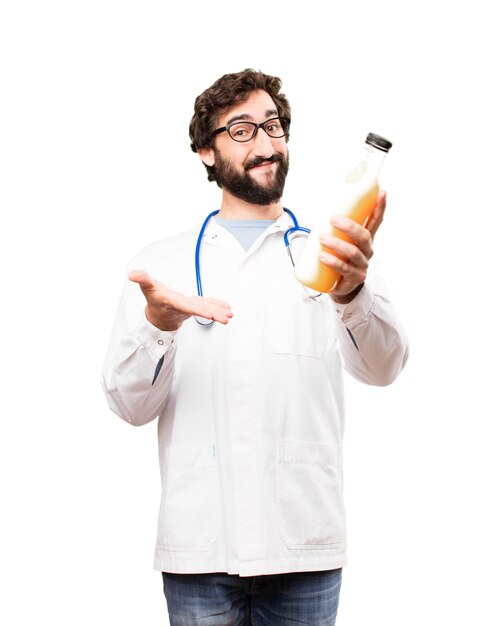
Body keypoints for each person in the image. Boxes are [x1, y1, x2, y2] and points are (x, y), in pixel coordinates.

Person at [101, 69, 408, 626]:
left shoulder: (334, 252)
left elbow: (384, 368)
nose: (266, 144)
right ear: (205, 152)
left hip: (304, 547)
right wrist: (158, 324)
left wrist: (352, 292)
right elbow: (129, 406)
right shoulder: (162, 265)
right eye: (241, 130)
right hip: (201, 549)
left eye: (274, 125)